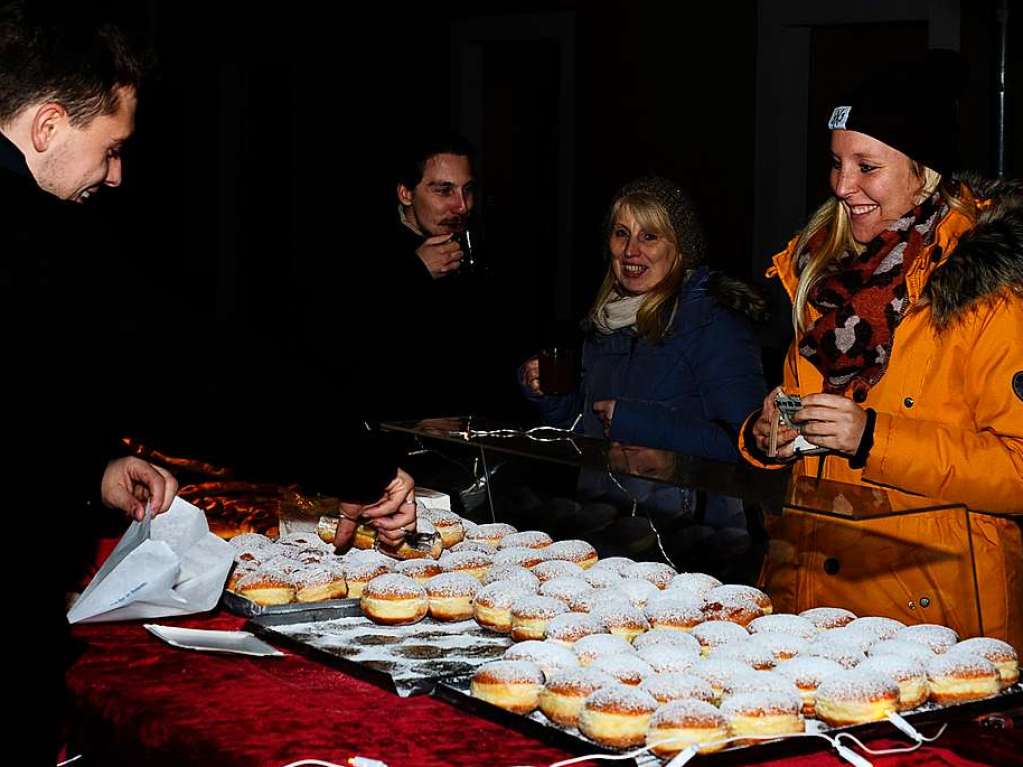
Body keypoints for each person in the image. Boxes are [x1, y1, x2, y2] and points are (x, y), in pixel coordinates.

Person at [740, 51, 1023, 647]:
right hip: (810, 605)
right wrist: (766, 437)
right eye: (836, 164)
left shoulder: (988, 290)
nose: (843, 187)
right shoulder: (822, 271)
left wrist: (874, 438)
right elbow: (796, 413)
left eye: (867, 166)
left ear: (924, 172)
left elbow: (1018, 469)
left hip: (934, 623)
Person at [521, 176, 767, 526]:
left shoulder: (712, 321)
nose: (630, 250)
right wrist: (553, 397)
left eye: (649, 236)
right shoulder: (607, 320)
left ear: (680, 248)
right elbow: (589, 428)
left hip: (691, 539)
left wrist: (641, 425)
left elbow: (748, 443)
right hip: (605, 525)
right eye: (621, 233)